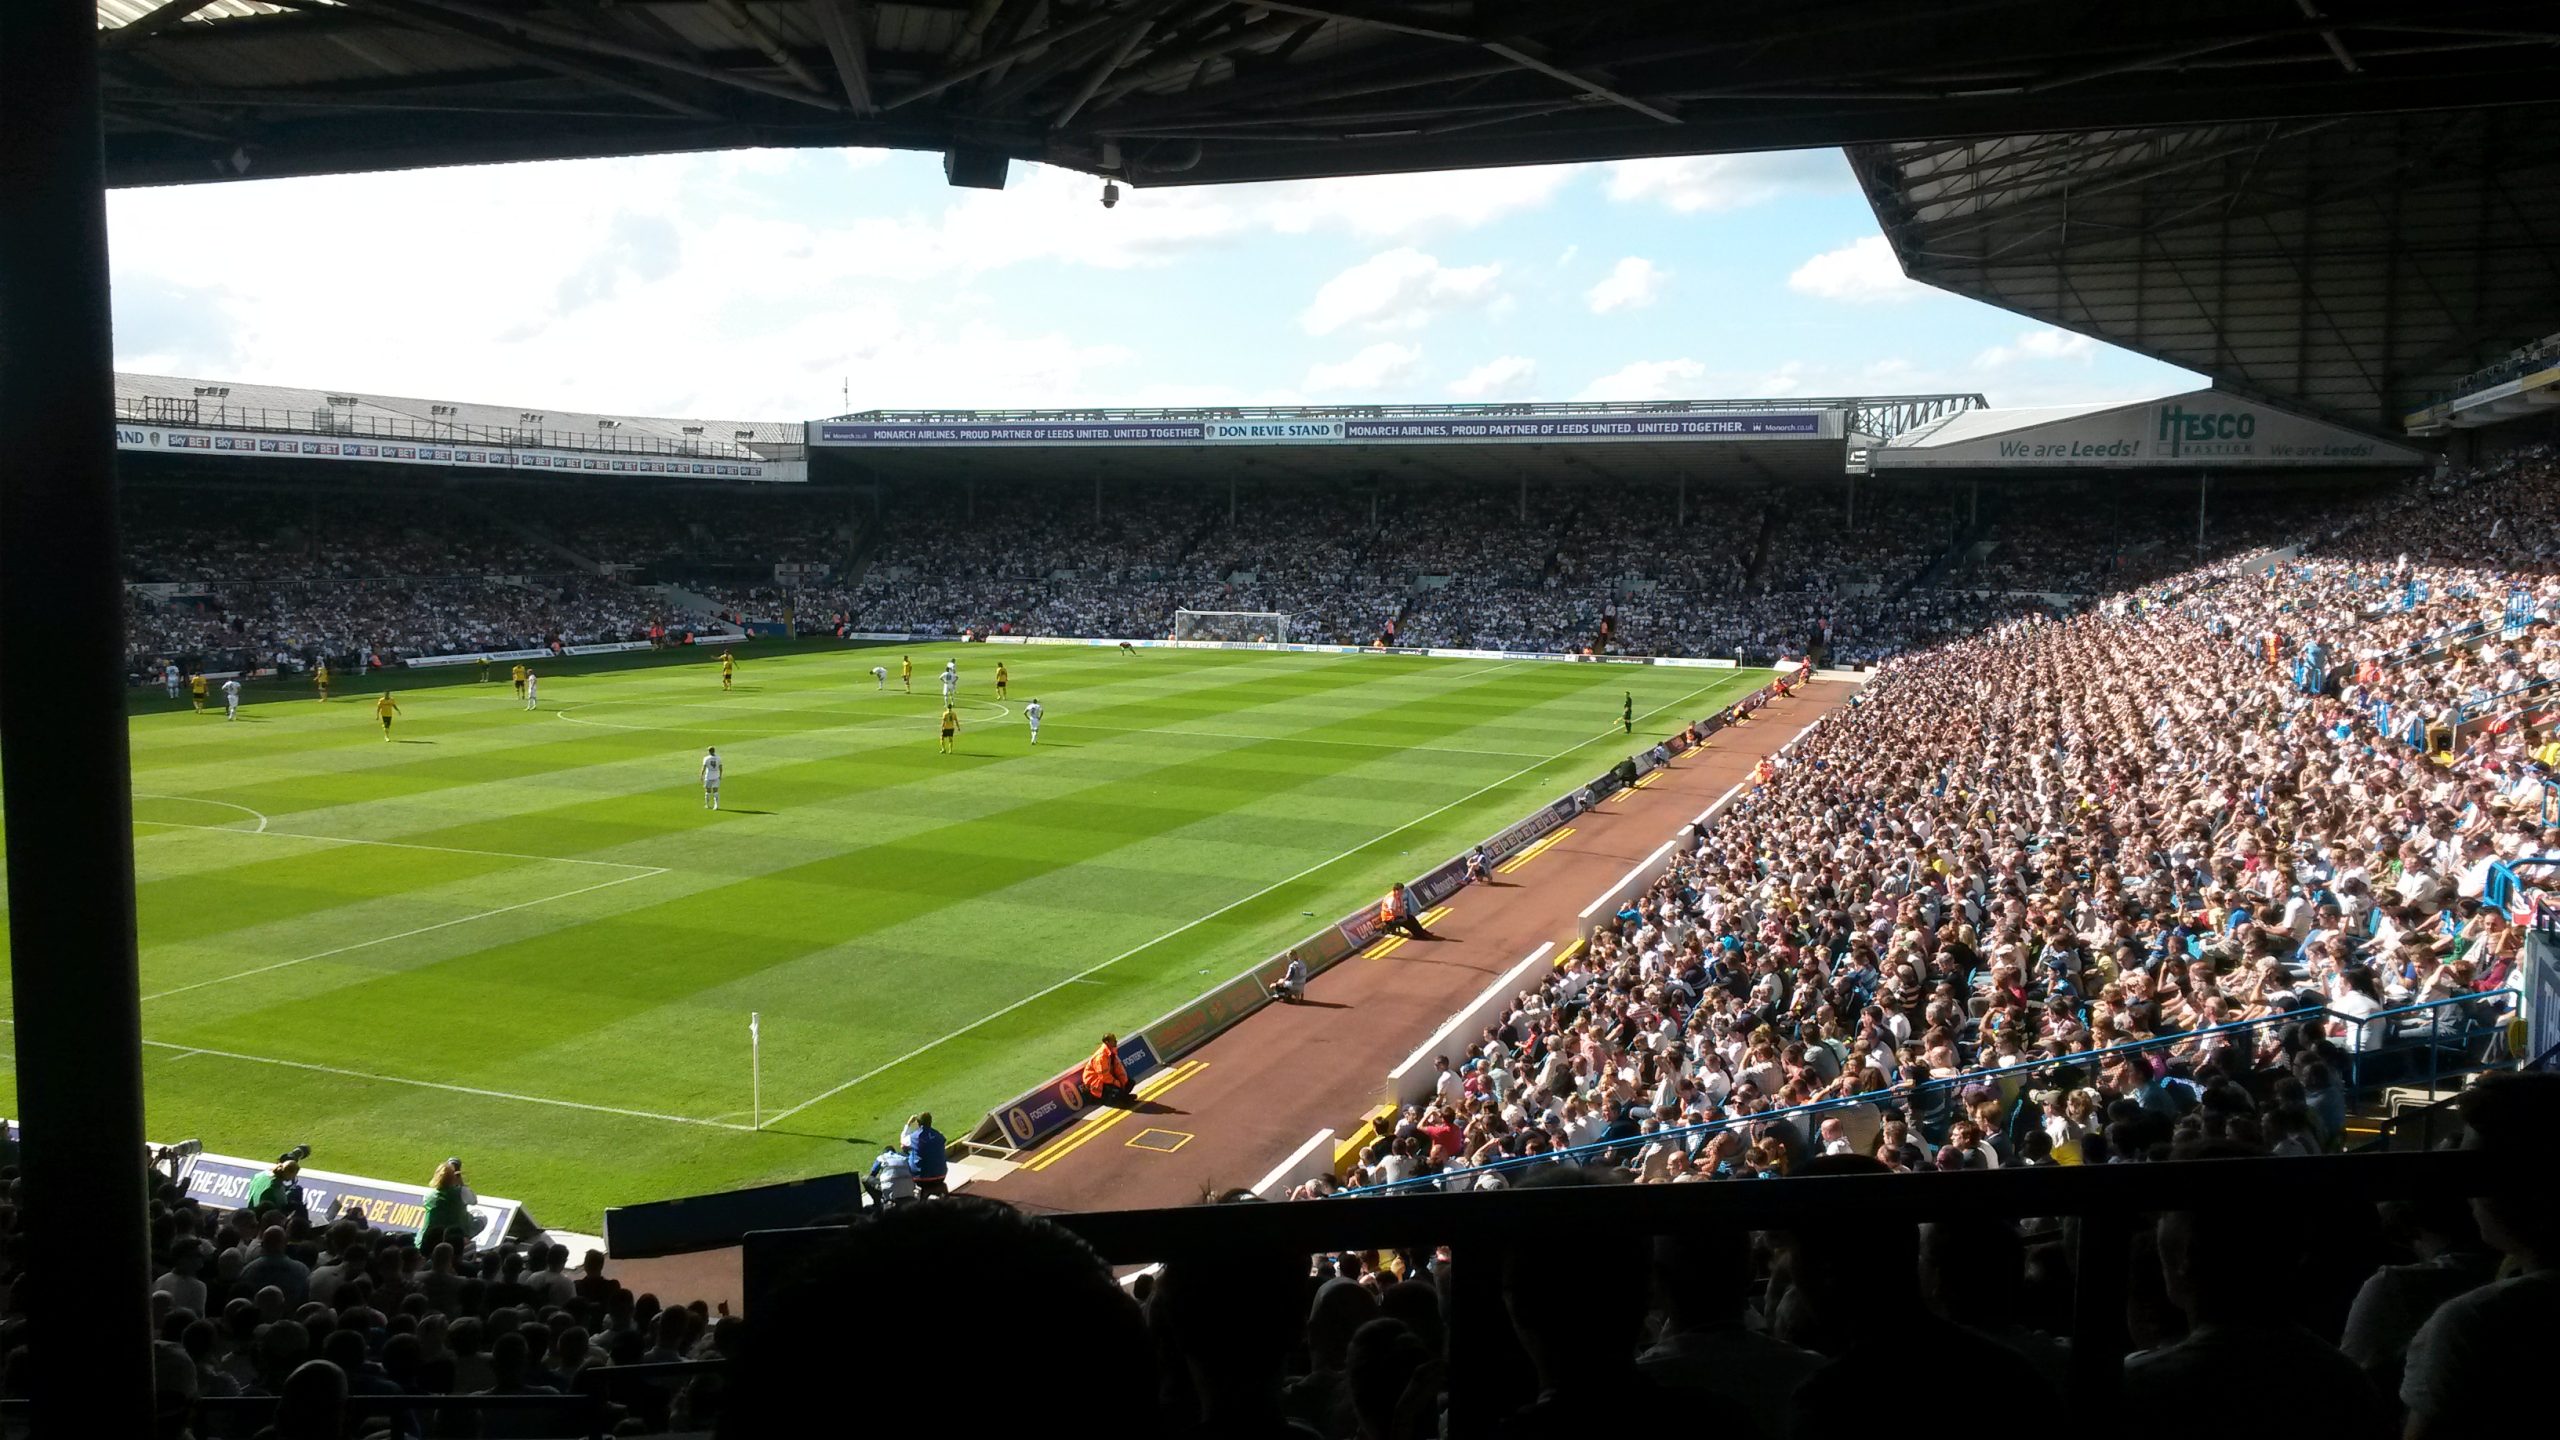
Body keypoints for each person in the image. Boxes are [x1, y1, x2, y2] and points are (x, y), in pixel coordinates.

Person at [421, 1157, 479, 1248]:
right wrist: (461, 1183)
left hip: (428, 1239)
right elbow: (474, 1201)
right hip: (453, 1238)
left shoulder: (429, 1194)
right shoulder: (462, 1192)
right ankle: (465, 1240)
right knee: (480, 1218)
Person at [244, 1150, 309, 1226]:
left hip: (251, 1211)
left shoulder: (259, 1175)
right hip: (264, 1219)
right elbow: (281, 1209)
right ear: (290, 1174)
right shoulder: (276, 1190)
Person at [905, 1112, 949, 1198]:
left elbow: (903, 1141)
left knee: (905, 1154)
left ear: (918, 1123)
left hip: (920, 1178)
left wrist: (908, 1124)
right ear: (931, 1121)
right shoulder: (939, 1135)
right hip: (941, 1175)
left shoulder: (913, 1137)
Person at [1082, 1033, 1132, 1106]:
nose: (1116, 1041)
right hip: (1096, 1083)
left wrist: (1123, 1081)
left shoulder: (1112, 1051)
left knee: (1129, 1083)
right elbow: (1103, 1077)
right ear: (1107, 1042)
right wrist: (1116, 1082)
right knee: (1116, 1091)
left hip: (1106, 1078)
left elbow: (1118, 1068)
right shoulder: (1100, 1057)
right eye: (1113, 1040)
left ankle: (1123, 1097)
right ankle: (1107, 1100)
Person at [868, 1141, 917, 1207]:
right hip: (909, 1190)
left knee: (865, 1179)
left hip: (890, 1191)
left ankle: (877, 1203)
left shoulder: (882, 1157)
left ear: (884, 1153)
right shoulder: (905, 1157)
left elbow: (872, 1174)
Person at [700, 746, 722, 811]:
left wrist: (701, 775)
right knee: (716, 791)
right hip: (716, 775)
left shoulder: (706, 758)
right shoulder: (719, 758)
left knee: (708, 791)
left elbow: (703, 768)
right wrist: (720, 775)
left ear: (709, 751)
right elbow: (721, 768)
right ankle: (716, 805)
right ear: (714, 751)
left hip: (708, 776)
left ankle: (707, 804)